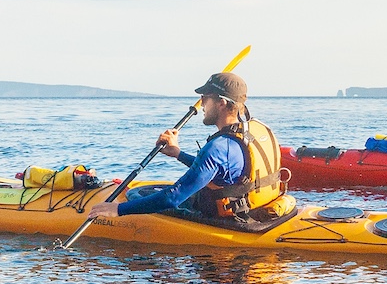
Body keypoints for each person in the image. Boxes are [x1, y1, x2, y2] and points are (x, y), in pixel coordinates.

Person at [83, 71, 295, 228]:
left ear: (221, 103)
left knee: (138, 196)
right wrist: (178, 154)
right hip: (263, 209)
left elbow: (172, 198)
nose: (202, 104)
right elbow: (223, 173)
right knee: (146, 193)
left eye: (206, 98)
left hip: (234, 222)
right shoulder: (255, 131)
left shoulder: (219, 147)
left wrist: (118, 210)